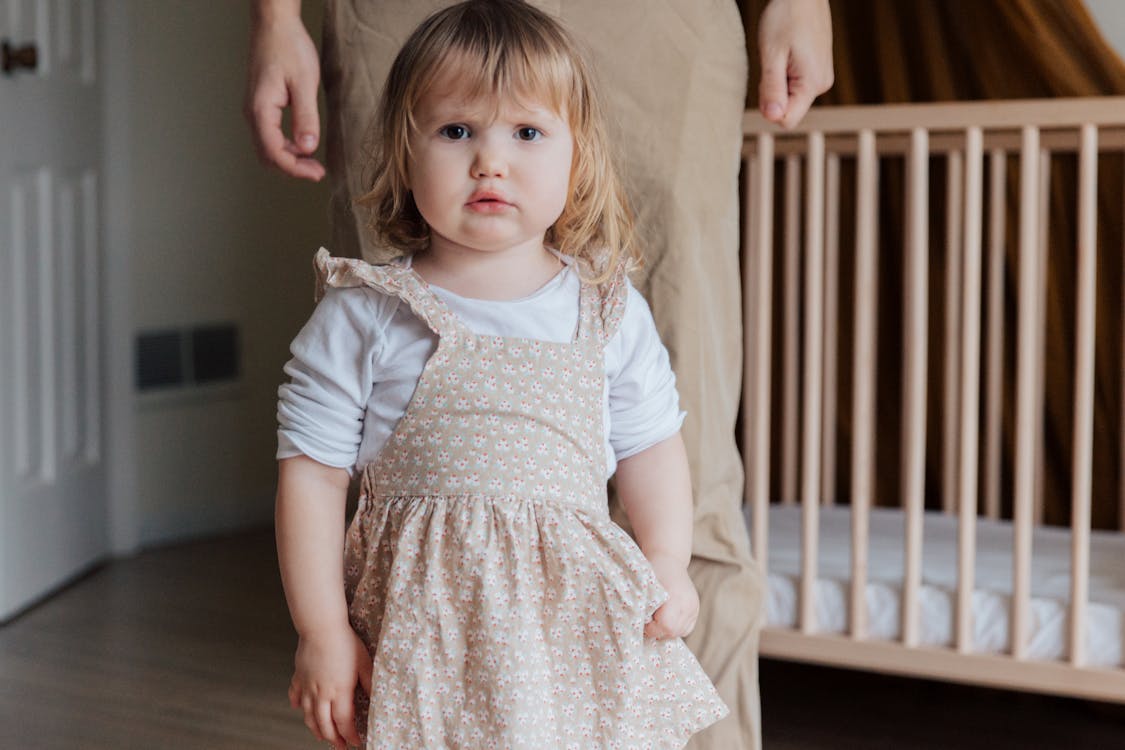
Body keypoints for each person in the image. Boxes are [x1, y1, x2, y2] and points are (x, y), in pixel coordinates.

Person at [252, 1, 832, 748]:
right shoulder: (364, 315)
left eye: (526, 133)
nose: (490, 160)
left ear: (575, 156)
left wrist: (666, 566)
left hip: (572, 642)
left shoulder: (607, 312)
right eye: (457, 131)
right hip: (422, 646)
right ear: (403, 151)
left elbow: (652, 449)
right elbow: (311, 474)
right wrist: (322, 630)